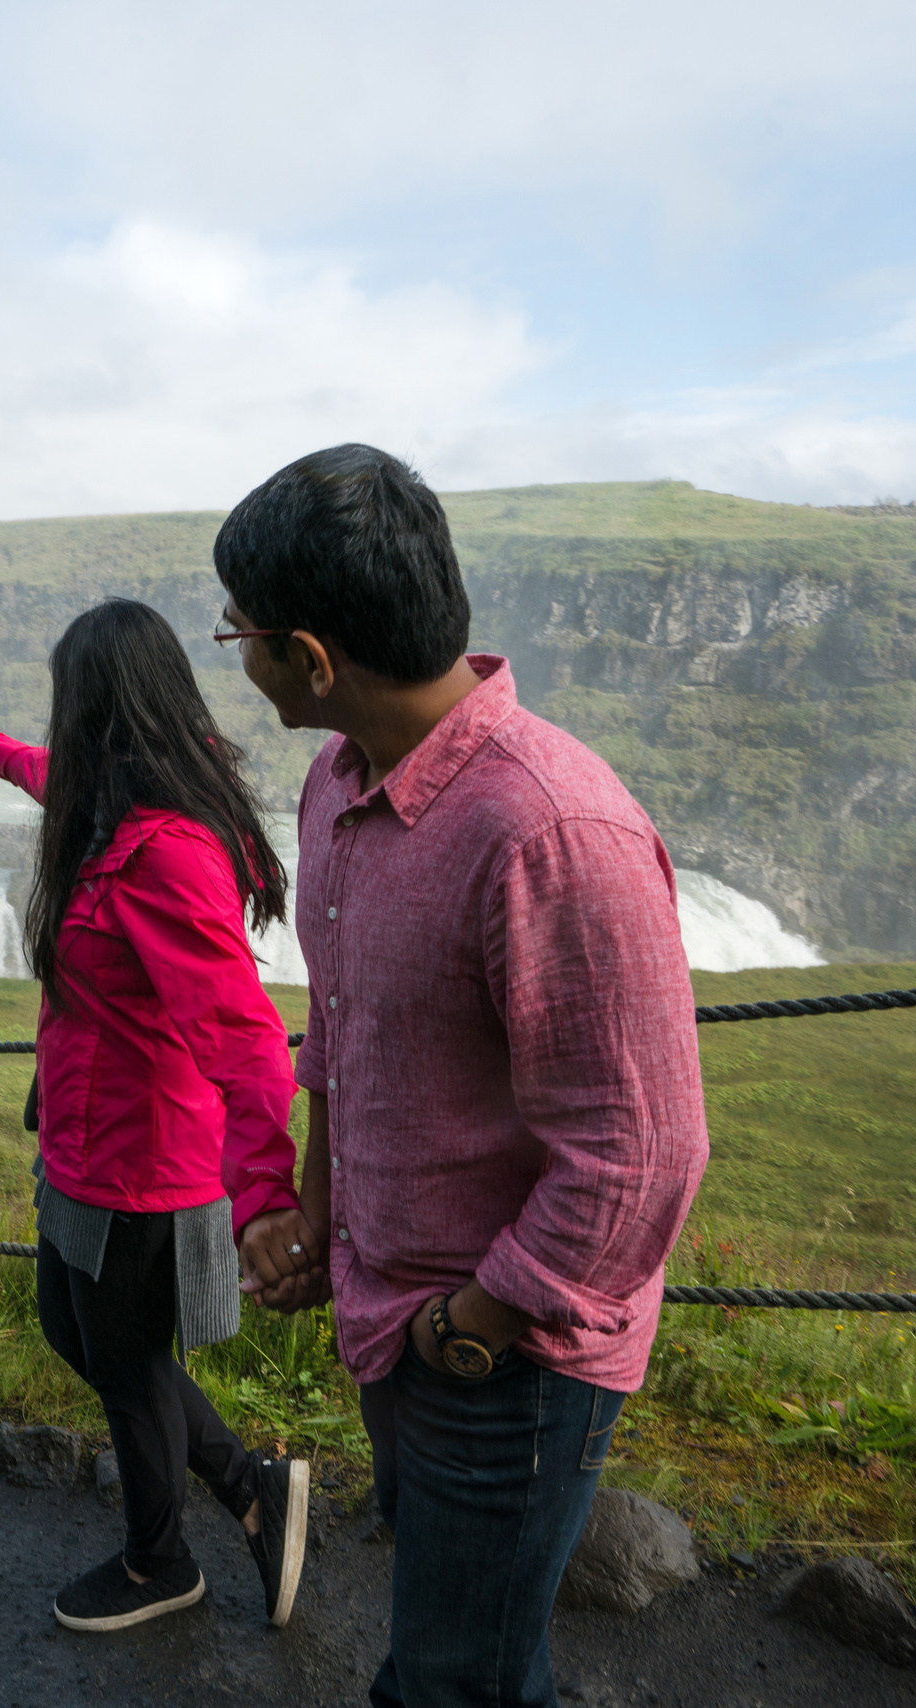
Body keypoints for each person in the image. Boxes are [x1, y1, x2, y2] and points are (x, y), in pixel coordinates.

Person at [217, 445, 709, 1708]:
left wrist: (469, 1326)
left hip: (509, 1357)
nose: (235, 654)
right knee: (458, 1651)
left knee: (455, 1680)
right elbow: (344, 1031)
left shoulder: (552, 830)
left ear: (310, 658)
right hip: (395, 1320)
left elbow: (641, 1157)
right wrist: (318, 1218)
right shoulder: (338, 782)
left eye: (240, 634)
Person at [0, 597, 314, 1635]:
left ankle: (162, 1562)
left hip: (143, 1166)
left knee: (123, 1360)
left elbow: (243, 1032)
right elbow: (50, 776)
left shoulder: (166, 850)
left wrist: (266, 1192)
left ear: (96, 708)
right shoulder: (110, 800)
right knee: (74, 1329)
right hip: (83, 1145)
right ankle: (250, 1486)